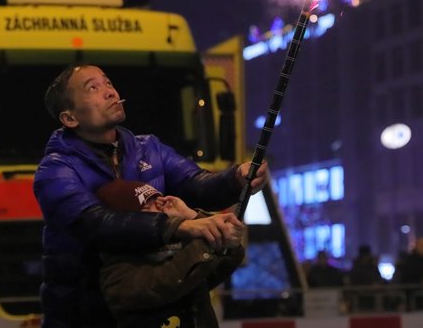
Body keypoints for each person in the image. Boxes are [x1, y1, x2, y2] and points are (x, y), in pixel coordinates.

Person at [33, 64, 268, 328]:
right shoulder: (55, 169)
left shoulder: (150, 148)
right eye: (93, 88)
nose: (110, 92)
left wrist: (236, 177)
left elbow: (197, 184)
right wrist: (182, 226)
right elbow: (95, 223)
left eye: (108, 82)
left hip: (155, 311)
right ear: (70, 118)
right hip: (85, 316)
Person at [95, 178, 245, 328]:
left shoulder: (171, 249)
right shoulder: (115, 275)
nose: (159, 213)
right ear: (126, 225)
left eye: (158, 204)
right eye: (146, 209)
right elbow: (168, 281)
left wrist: (191, 216)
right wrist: (209, 233)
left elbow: (230, 258)